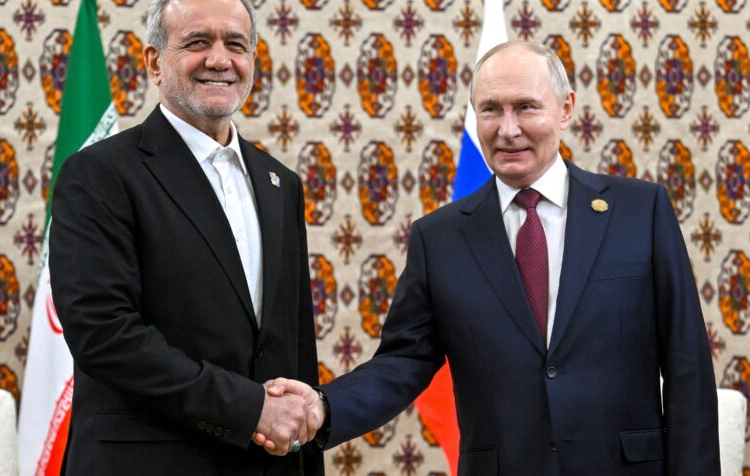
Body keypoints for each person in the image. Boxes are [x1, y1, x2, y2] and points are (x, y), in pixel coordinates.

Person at [263, 41, 720, 475]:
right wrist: (323, 407)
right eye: (490, 110)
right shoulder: (439, 239)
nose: (508, 129)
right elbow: (402, 363)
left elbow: (688, 370)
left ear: (565, 109)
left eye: (526, 107)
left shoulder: (640, 212)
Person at [50, 0, 323, 475]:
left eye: (236, 45)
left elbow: (296, 350)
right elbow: (104, 334)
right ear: (154, 62)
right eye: (198, 42)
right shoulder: (99, 174)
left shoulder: (280, 184)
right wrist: (250, 409)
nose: (220, 59)